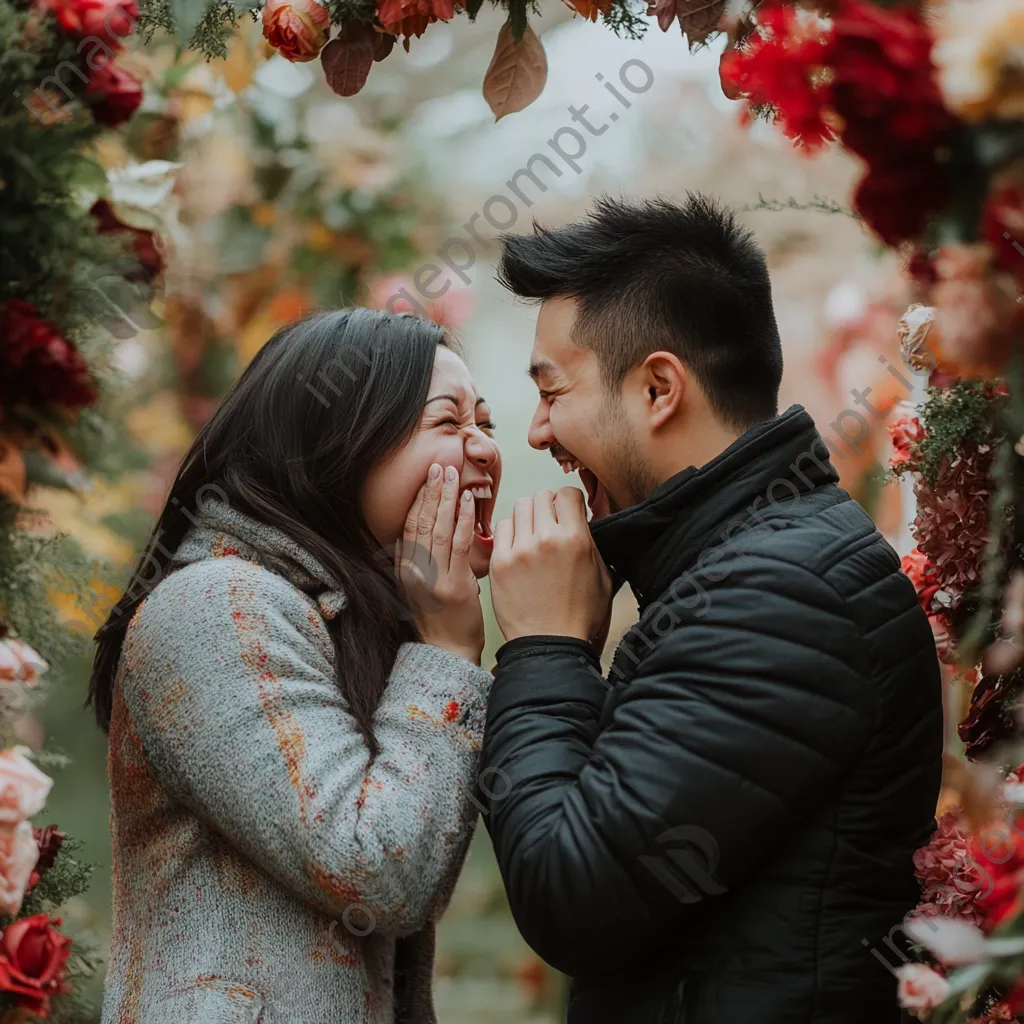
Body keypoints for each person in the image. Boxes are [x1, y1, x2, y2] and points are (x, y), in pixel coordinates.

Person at [480, 194, 944, 1024]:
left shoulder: (779, 594)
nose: (538, 434)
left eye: (552, 393)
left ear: (659, 387)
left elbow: (573, 895)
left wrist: (545, 646)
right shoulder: (749, 562)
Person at [89, 308, 502, 1024]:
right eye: (448, 421)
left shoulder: (357, 624)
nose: (485, 448)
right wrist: (446, 650)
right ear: (338, 446)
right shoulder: (215, 606)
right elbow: (383, 873)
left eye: (486, 423)